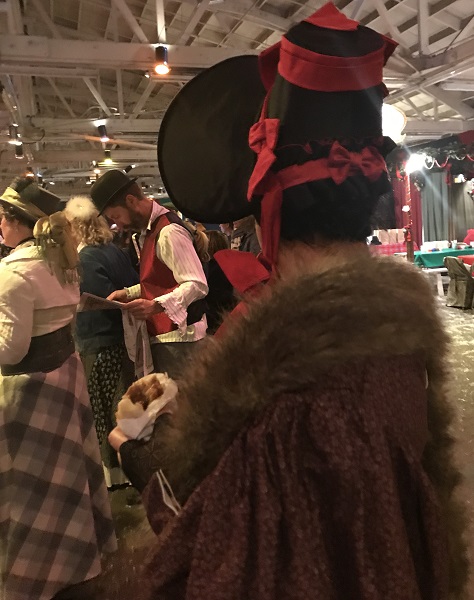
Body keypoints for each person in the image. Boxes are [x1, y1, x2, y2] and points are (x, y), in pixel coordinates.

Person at [106, 4, 467, 599]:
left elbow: (215, 571)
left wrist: (145, 459)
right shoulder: (391, 343)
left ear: (266, 206)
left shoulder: (300, 410)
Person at [0, 178, 116, 600]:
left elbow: (10, 351)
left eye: (2, 218)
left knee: (31, 490)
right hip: (65, 381)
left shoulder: (14, 272)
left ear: (18, 222)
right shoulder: (64, 264)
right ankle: (73, 560)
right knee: (66, 480)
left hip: (29, 396)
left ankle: (35, 574)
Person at [89, 170, 209, 378]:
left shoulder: (169, 232)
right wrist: (129, 292)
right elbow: (162, 278)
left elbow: (196, 284)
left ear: (131, 200)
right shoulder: (149, 231)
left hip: (182, 341)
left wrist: (155, 305)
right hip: (170, 338)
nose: (119, 224)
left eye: (116, 216)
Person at [64, 195, 139, 488]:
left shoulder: (87, 257)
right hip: (121, 338)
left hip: (99, 339)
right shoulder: (114, 251)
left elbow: (96, 299)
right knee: (122, 406)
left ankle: (116, 477)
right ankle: (132, 471)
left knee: (106, 409)